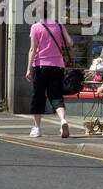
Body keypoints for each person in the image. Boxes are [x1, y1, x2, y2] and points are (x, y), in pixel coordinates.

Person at [26, 10, 73, 139]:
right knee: (56, 95)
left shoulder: (36, 27)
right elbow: (70, 43)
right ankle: (63, 120)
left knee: (38, 96)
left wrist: (29, 69)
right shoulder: (59, 25)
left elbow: (33, 49)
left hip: (40, 66)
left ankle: (37, 128)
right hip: (57, 66)